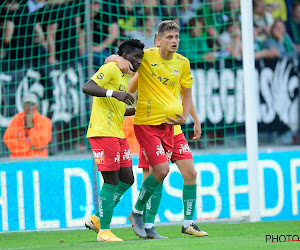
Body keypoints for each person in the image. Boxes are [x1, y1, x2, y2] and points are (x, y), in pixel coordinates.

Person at [106, 20, 206, 239]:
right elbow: (121, 63)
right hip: (148, 125)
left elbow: (186, 93)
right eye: (169, 37)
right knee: (157, 172)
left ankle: (186, 222)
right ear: (158, 40)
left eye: (177, 37)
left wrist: (190, 117)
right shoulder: (147, 57)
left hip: (173, 127)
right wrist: (122, 102)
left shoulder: (183, 63)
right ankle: (138, 216)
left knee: (189, 173)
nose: (174, 41)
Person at [82, 39, 144, 242]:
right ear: (124, 56)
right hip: (102, 132)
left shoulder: (124, 76)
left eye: (141, 58)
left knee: (127, 179)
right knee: (111, 180)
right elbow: (88, 87)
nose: (139, 61)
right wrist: (114, 93)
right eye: (136, 57)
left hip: (117, 133)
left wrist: (137, 111)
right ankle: (104, 232)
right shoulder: (110, 67)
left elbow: (116, 106)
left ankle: (98, 218)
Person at [3, 93, 52, 158]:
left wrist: (30, 127)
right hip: (19, 160)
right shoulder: (17, 120)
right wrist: (28, 146)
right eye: (27, 104)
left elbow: (41, 144)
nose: (29, 107)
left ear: (36, 105)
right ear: (23, 105)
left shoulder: (45, 121)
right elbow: (8, 139)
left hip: (38, 160)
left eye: (32, 104)